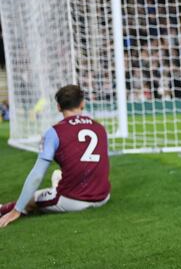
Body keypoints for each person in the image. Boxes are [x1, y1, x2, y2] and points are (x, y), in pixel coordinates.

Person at [0, 85, 110, 228]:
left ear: (58, 107)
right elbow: (103, 165)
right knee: (58, 174)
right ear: (82, 103)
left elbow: (37, 175)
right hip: (104, 197)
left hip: (75, 201)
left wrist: (17, 210)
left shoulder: (54, 132)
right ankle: (59, 186)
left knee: (33, 199)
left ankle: (4, 209)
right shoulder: (100, 127)